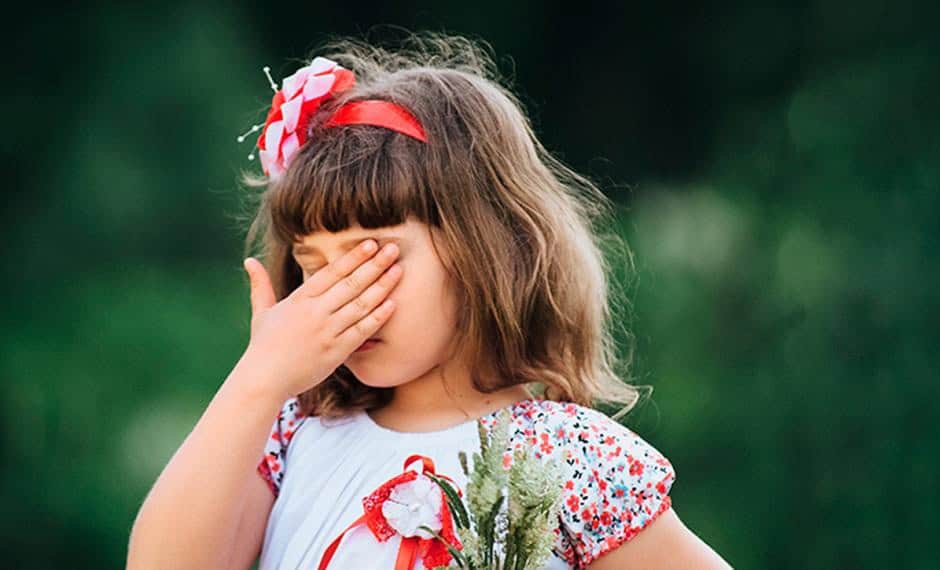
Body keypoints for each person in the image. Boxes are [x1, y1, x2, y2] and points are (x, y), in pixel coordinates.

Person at [127, 32, 731, 570]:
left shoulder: (568, 456)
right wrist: (258, 380)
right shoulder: (295, 432)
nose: (340, 295)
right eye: (314, 269)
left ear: (485, 249)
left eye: (372, 259)